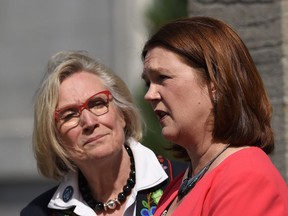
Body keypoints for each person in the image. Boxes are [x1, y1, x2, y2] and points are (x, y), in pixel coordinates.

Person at [141, 16, 288, 215]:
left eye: (163, 78)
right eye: (147, 83)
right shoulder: (183, 182)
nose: (149, 95)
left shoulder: (245, 176)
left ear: (216, 83)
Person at [20, 50, 186, 216]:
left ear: (123, 114)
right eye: (69, 115)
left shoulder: (184, 183)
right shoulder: (38, 213)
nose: (89, 122)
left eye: (98, 103)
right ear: (55, 137)